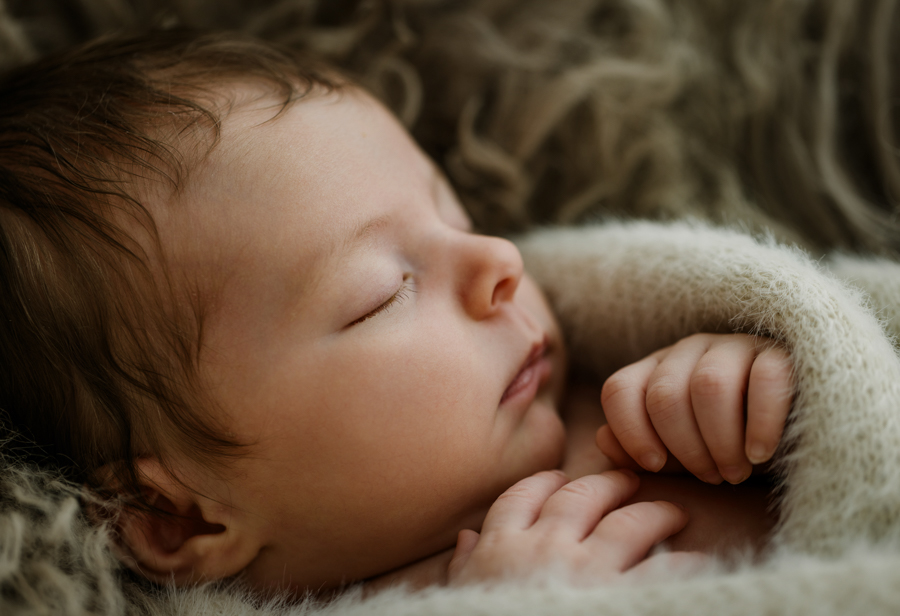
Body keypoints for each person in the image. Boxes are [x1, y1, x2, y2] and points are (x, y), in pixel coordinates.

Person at [0, 30, 793, 594]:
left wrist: (749, 381)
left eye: (453, 211)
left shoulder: (620, 385)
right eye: (384, 293)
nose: (498, 261)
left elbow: (839, 386)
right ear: (178, 518)